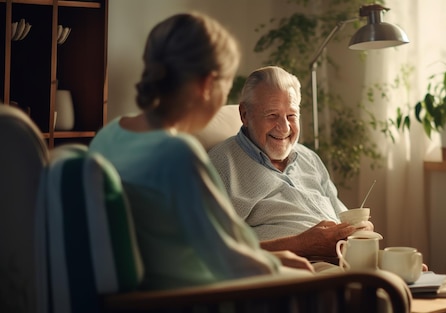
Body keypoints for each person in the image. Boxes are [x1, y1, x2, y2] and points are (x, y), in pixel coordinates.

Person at [89, 13, 312, 290]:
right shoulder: (177, 154)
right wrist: (285, 263)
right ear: (207, 85)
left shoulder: (107, 136)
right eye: (227, 84)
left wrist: (278, 257)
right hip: (191, 299)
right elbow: (228, 259)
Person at [208, 66, 374, 260]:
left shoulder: (309, 158)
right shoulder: (219, 167)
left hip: (347, 261)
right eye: (272, 115)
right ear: (245, 115)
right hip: (294, 273)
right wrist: (301, 246)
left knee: (408, 276)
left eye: (291, 116)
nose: (284, 127)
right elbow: (210, 250)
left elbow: (342, 216)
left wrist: (359, 229)